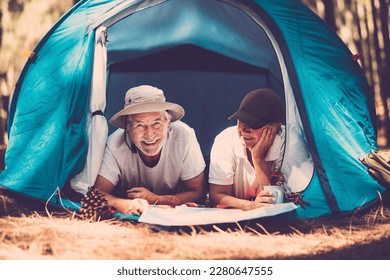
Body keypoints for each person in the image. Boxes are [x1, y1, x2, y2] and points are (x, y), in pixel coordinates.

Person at [94, 85, 206, 215]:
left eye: (156, 123)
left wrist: (156, 199)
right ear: (128, 127)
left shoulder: (184, 137)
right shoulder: (115, 143)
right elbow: (97, 193)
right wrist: (123, 204)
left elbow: (198, 193)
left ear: (168, 123)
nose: (149, 134)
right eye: (139, 125)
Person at [208, 88, 285, 210]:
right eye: (240, 121)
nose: (243, 129)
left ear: (275, 128)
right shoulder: (225, 139)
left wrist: (258, 158)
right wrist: (251, 205)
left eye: (253, 124)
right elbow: (216, 195)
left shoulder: (287, 142)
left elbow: (273, 203)